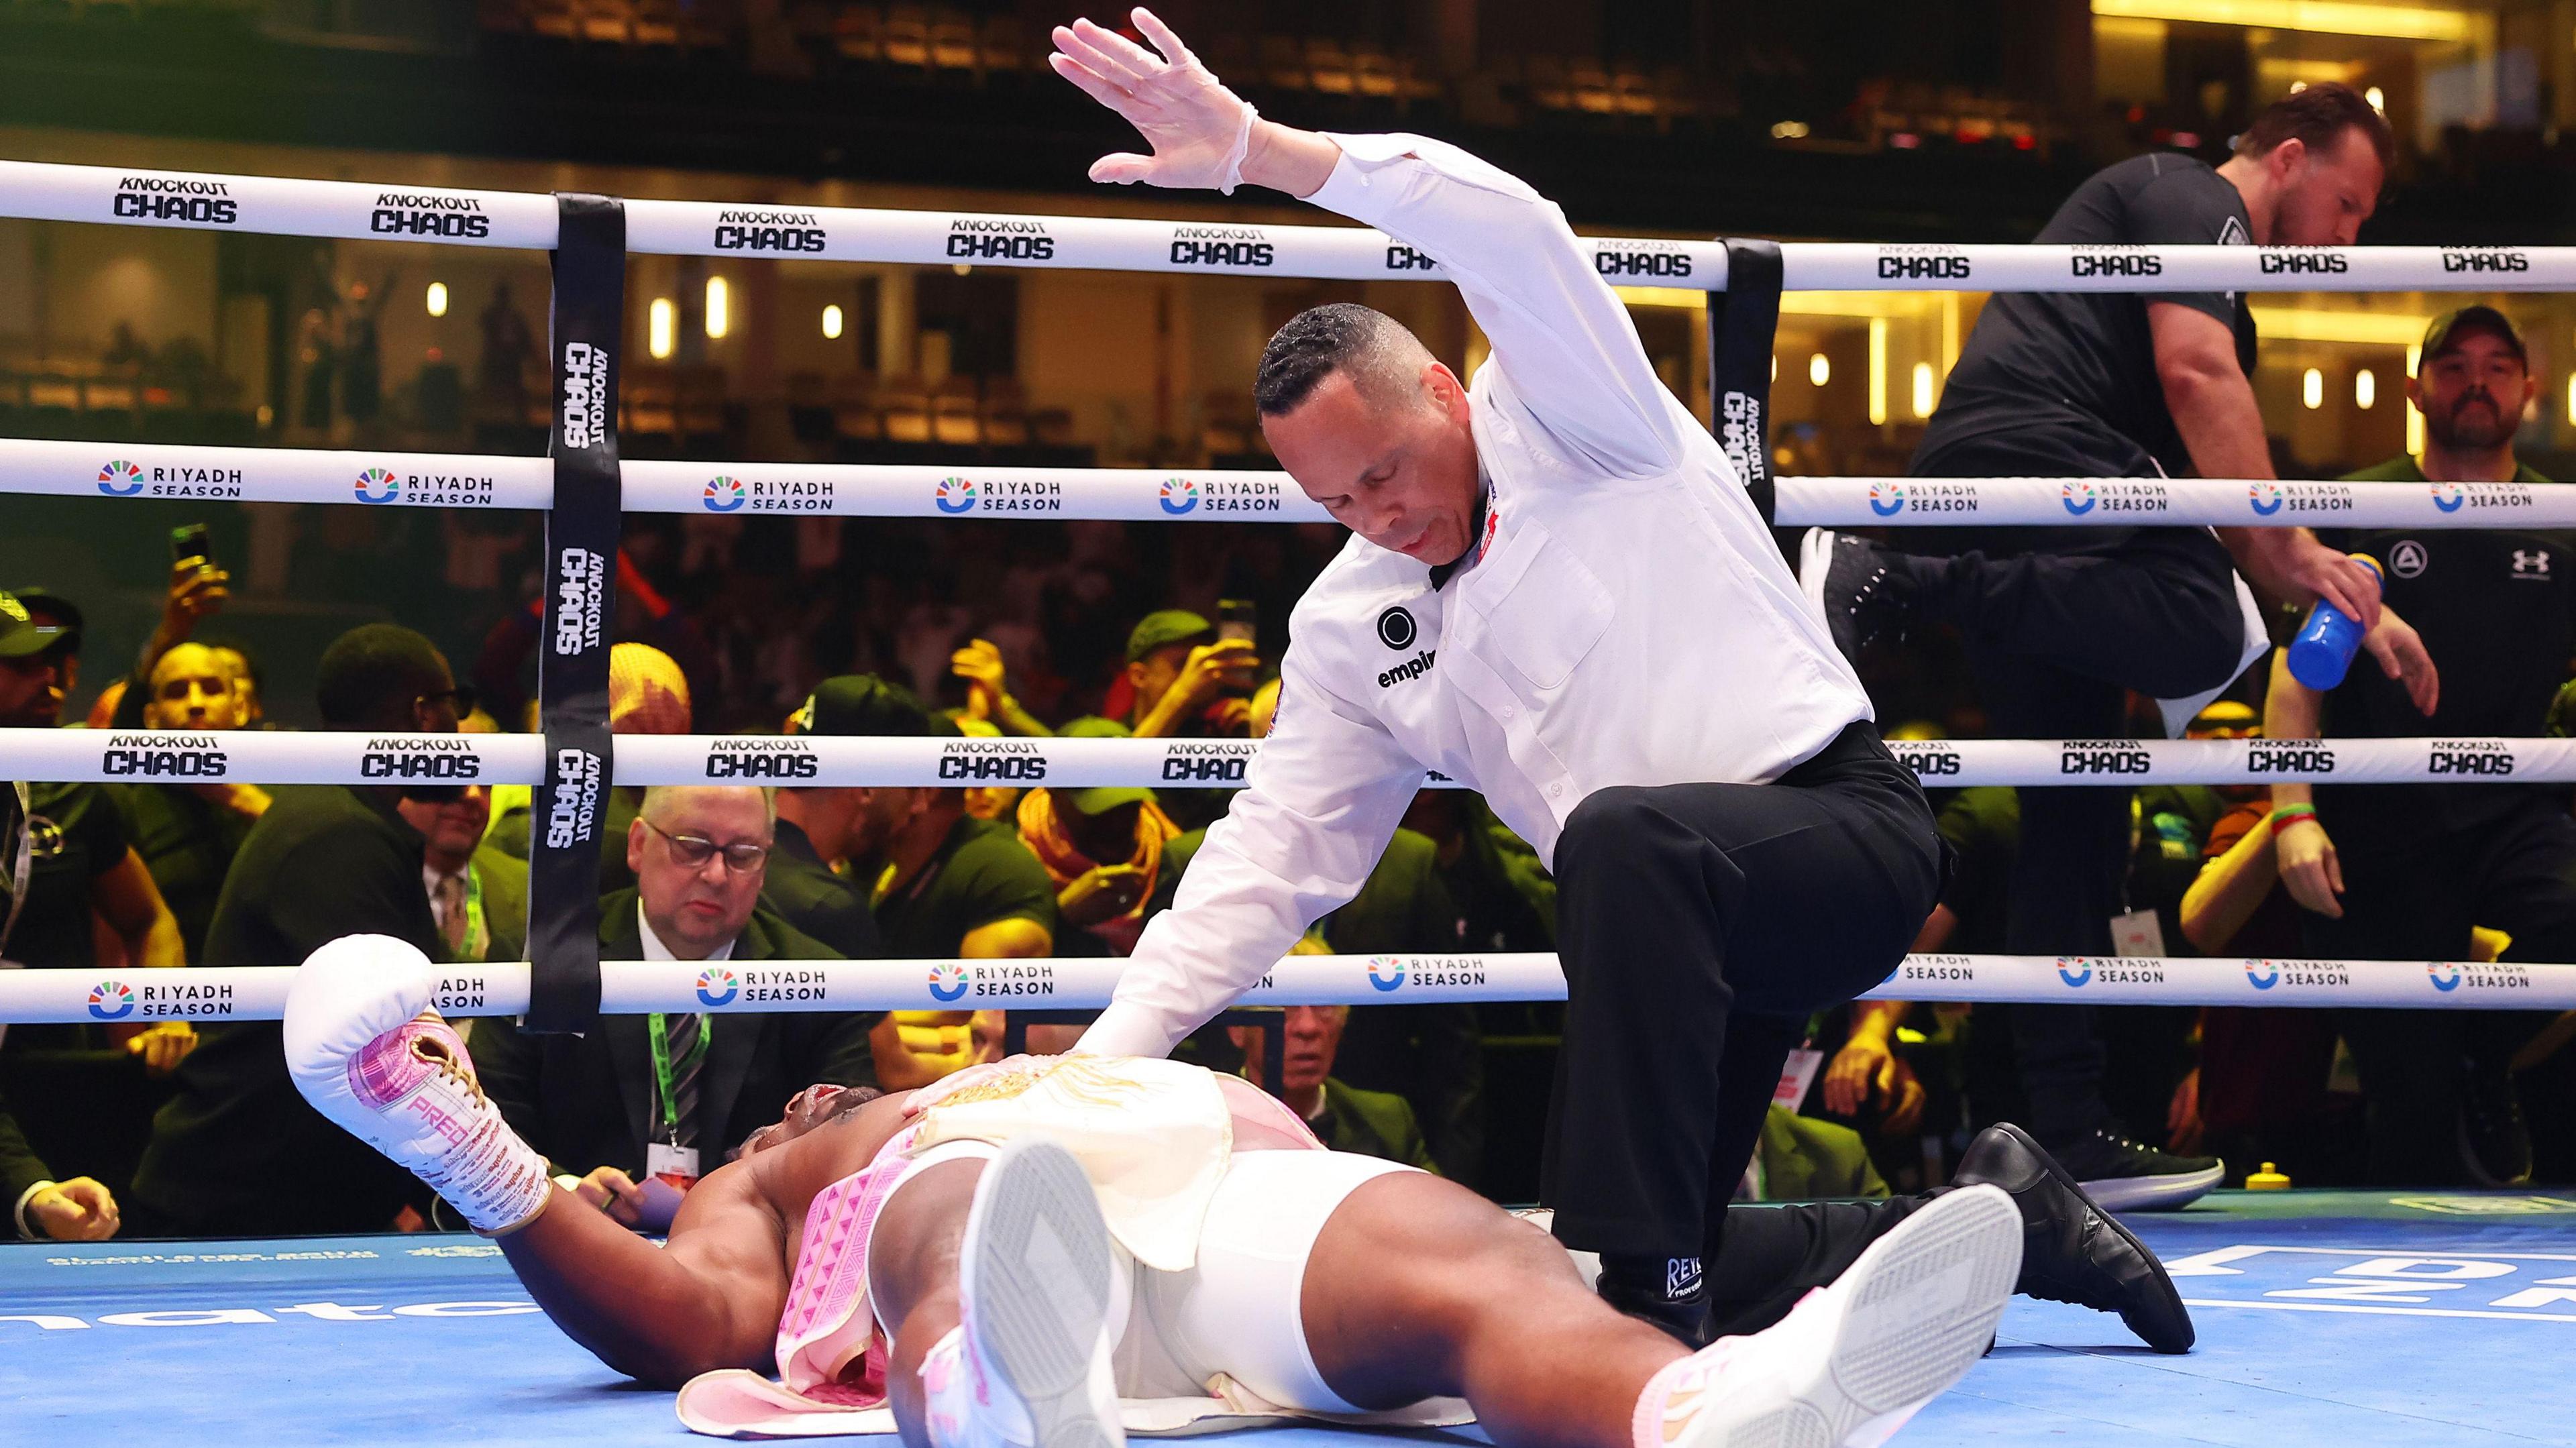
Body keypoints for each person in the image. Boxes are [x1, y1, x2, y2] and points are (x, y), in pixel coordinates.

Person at [1035, 11, 2187, 1359]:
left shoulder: (1576, 421)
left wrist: (1267, 152)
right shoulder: (1353, 624)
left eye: (1386, 469)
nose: (1376, 514)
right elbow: (1272, 856)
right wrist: (1106, 1060)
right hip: (1674, 946)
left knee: (1623, 852)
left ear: (1444, 393)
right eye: (1335, 499)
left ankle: (1643, 1309)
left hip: (1834, 839)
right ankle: (1999, 1211)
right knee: (1651, 1235)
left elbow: (1510, 227)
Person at [282, 936, 2027, 1448]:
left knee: (1469, 1252)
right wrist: (461, 1140)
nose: (815, 1088)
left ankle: (1704, 1402)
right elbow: (695, 1317)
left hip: (1224, 1174)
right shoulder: (802, 1161)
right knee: (969, 1194)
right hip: (987, 1203)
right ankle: (986, 1391)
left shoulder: (1089, 1065)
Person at [1799, 83, 2431, 1202]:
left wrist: (2344, 590)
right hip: (2035, 460)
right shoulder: (2191, 196)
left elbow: (2216, 443)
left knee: (2076, 815)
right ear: (2286, 160)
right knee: (2207, 622)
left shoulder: (2206, 247)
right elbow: (2197, 376)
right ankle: (1907, 568)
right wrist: (2293, 551)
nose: (2347, 240)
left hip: (2044, 514)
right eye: (2347, 204)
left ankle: (2067, 1128)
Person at [2267, 305, 2569, 1187]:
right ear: (2416, 387)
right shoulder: (2362, 504)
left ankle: (2481, 1050)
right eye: (2454, 366)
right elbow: (2297, 679)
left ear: (2528, 387)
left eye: (2498, 366)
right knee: (2411, 1107)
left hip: (2518, 812)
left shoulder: (2560, 519)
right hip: (2385, 821)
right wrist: (2293, 816)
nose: (2477, 382)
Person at [127, 622, 468, 1236]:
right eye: (453, 708)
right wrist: (507, 1181)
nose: (460, 731)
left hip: (273, 1195)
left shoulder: (334, 815)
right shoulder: (339, 834)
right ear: (422, 714)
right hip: (240, 1207)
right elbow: (394, 1046)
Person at [472, 785, 875, 1229]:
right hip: (569, 1235)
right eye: (693, 848)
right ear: (639, 845)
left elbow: (848, 1141)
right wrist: (563, 1191)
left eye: (743, 854)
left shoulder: (819, 979)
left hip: (746, 1246)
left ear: (765, 866)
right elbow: (488, 1124)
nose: (717, 874)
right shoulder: (546, 964)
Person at [800, 677, 1056, 1089]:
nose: (864, 794)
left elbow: (979, 1028)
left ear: (923, 792)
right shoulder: (870, 859)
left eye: (879, 779)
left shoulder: (995, 867)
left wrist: (854, 1019)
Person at [111, 638, 271, 967]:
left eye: (211, 689)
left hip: (274, 998)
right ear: (152, 719)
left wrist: (245, 800)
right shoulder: (125, 804)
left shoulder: (287, 786)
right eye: (177, 692)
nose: (196, 703)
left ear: (240, 708)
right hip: (166, 1002)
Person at [1010, 718, 1182, 958]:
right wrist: (1061, 916)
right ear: (1054, 791)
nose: (1116, 821)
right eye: (1097, 809)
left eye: (1128, 804)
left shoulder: (1178, 856)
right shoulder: (1012, 867)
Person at [1230, 997, 1438, 1171]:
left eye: (1324, 1006)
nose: (1308, 1027)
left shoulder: (1387, 1121)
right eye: (1285, 1006)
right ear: (1237, 1028)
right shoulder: (1208, 1119)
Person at [395, 781, 527, 964]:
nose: (473, 794)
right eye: (454, 780)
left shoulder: (530, 886)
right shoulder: (358, 878)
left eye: (485, 785)